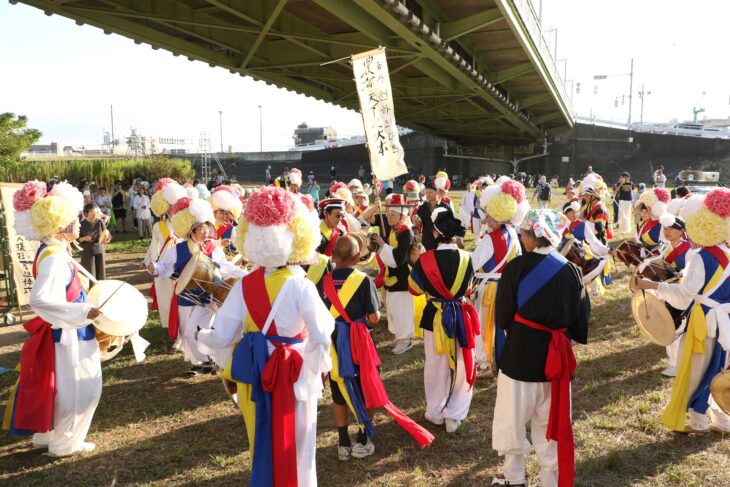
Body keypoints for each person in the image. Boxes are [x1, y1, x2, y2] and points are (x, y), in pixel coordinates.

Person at [197, 187, 335, 487]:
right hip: (295, 370)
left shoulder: (244, 285)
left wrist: (201, 338)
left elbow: (222, 336)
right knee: (300, 437)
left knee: (260, 433)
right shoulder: (301, 286)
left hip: (256, 370)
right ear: (298, 237)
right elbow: (323, 334)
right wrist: (315, 367)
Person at [491, 209, 590, 487]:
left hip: (520, 357)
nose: (522, 239)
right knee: (550, 424)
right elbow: (581, 322)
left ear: (534, 236)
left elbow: (503, 317)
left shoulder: (515, 268)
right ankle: (550, 480)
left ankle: (514, 479)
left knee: (512, 421)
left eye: (523, 234)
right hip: (556, 361)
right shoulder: (572, 270)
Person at [3, 181, 102, 457]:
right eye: (74, 219)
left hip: (66, 329)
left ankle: (50, 436)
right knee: (81, 389)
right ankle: (65, 443)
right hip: (69, 332)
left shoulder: (54, 250)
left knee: (63, 388)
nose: (79, 223)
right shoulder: (55, 257)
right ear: (59, 223)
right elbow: (40, 300)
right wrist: (82, 312)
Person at [319, 236, 434, 460]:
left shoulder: (323, 282)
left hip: (333, 342)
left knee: (338, 388)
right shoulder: (363, 280)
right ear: (357, 257)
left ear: (333, 256)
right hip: (359, 342)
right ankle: (363, 438)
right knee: (367, 386)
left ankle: (343, 442)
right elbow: (373, 318)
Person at [636, 188, 730, 434]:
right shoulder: (728, 254)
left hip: (704, 319)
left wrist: (652, 285)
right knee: (718, 366)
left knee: (697, 369)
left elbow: (687, 292)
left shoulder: (701, 257)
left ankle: (698, 420)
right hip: (725, 321)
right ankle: (721, 419)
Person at [149, 197, 245, 375]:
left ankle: (207, 360)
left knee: (193, 330)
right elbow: (164, 267)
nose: (205, 231)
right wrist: (154, 267)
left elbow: (225, 267)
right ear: (190, 230)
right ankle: (197, 362)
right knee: (186, 333)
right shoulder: (177, 250)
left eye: (207, 227)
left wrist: (245, 275)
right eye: (201, 228)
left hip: (207, 297)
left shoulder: (212, 249)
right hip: (185, 295)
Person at [408, 207, 478, 433]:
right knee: (462, 362)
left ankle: (435, 412)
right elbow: (470, 288)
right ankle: (454, 414)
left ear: (436, 233)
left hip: (434, 317)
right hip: (460, 316)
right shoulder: (468, 258)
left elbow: (414, 289)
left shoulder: (425, 260)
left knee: (436, 365)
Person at [472, 179, 529, 373]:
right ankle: (504, 360)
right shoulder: (514, 234)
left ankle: (484, 362)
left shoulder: (490, 239)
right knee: (503, 326)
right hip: (508, 287)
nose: (486, 220)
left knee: (484, 325)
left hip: (489, 288)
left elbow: (473, 263)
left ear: (497, 215)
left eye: (489, 215)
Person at [641, 212, 692, 377]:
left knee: (676, 327)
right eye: (665, 228)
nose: (667, 232)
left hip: (681, 293)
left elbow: (688, 273)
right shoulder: (666, 248)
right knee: (668, 325)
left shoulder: (690, 250)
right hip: (666, 292)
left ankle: (677, 365)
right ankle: (674, 362)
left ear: (681, 231)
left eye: (672, 229)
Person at [372, 194, 416, 354]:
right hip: (392, 278)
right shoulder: (392, 230)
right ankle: (399, 336)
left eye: (393, 215)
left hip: (403, 278)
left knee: (402, 311)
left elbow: (399, 259)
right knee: (392, 309)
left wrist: (383, 245)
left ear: (402, 217)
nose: (389, 217)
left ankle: (406, 340)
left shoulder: (406, 233)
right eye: (388, 214)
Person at [144, 179, 186, 330]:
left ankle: (183, 327)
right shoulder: (158, 226)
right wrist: (148, 262)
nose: (172, 208)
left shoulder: (186, 223)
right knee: (166, 297)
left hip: (182, 263)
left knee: (182, 296)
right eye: (169, 205)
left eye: (175, 204)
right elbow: (153, 247)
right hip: (163, 265)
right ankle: (171, 326)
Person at [414, 182, 450, 251]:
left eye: (430, 192)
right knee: (428, 257)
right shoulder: (422, 207)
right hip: (427, 240)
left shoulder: (445, 206)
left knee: (440, 257)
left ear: (436, 192)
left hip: (441, 241)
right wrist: (416, 220)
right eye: (426, 193)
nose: (428, 195)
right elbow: (418, 223)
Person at [78, 204, 108, 283]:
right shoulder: (81, 224)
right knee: (89, 273)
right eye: (92, 212)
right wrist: (84, 238)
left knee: (100, 273)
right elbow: (76, 240)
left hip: (99, 250)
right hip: (87, 252)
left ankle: (100, 289)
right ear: (86, 213)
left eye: (96, 212)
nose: (95, 214)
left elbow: (106, 234)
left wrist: (106, 238)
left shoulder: (100, 222)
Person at [635, 187, 671, 253]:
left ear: (652, 211)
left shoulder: (661, 226)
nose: (643, 213)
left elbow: (666, 244)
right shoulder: (640, 224)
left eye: (646, 211)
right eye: (642, 211)